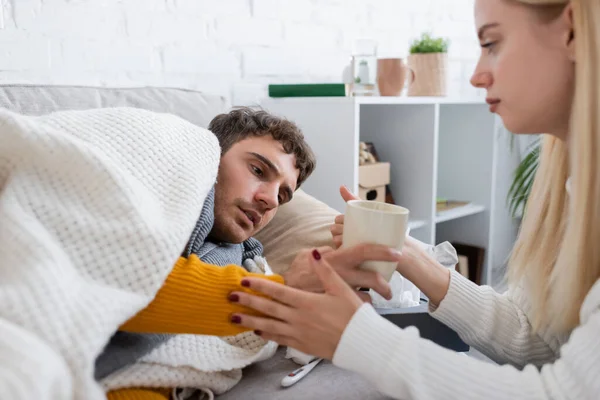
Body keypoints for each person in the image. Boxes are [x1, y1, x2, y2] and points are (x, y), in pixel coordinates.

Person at [226, 1, 600, 399]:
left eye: (491, 43)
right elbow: (537, 342)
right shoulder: (573, 193)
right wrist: (404, 251)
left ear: (573, 31)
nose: (475, 75)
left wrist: (355, 336)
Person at [104, 108, 398, 400]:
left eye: (282, 195)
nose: (270, 200)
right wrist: (281, 292)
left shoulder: (238, 259)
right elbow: (114, 284)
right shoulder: (142, 185)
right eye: (258, 171)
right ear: (210, 154)